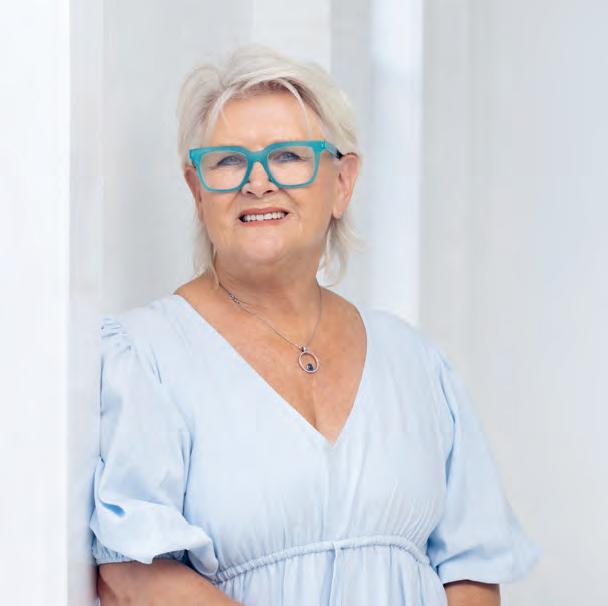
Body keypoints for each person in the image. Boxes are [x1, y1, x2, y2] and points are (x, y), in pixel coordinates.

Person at [89, 44, 540, 605]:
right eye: (227, 161)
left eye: (287, 156)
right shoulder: (145, 356)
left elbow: (471, 571)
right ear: (197, 189)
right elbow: (134, 574)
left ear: (342, 182)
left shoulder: (414, 363)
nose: (257, 182)